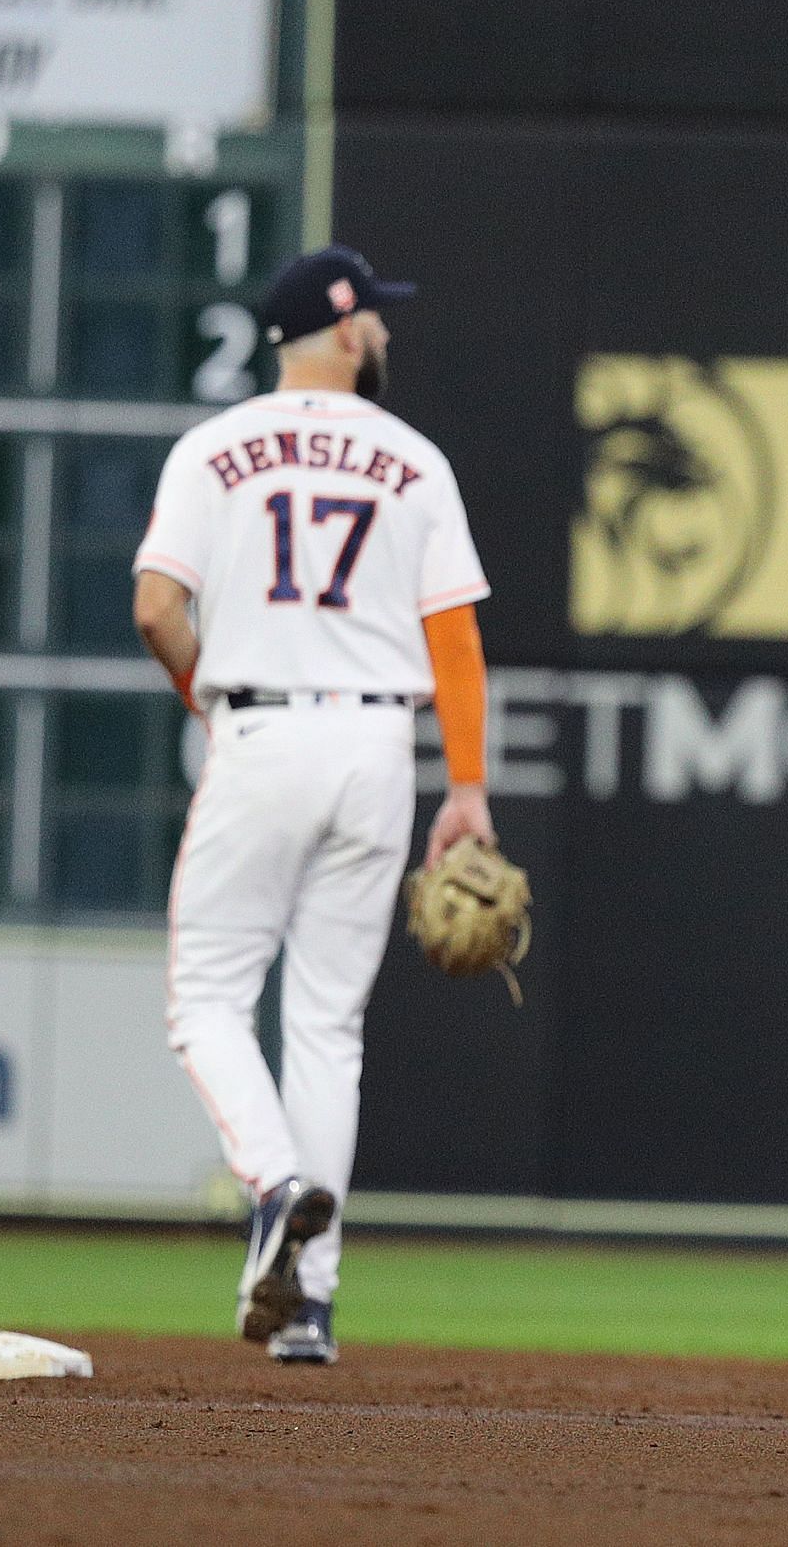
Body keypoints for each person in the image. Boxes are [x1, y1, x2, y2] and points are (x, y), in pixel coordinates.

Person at [133, 244, 494, 1365]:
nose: (385, 332)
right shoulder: (416, 461)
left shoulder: (213, 447)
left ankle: (275, 1181)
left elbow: (155, 608)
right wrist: (468, 786)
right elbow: (455, 638)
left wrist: (209, 703)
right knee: (328, 1026)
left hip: (262, 726)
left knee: (206, 1001)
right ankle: (314, 1307)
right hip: (378, 745)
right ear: (341, 328)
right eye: (375, 318)